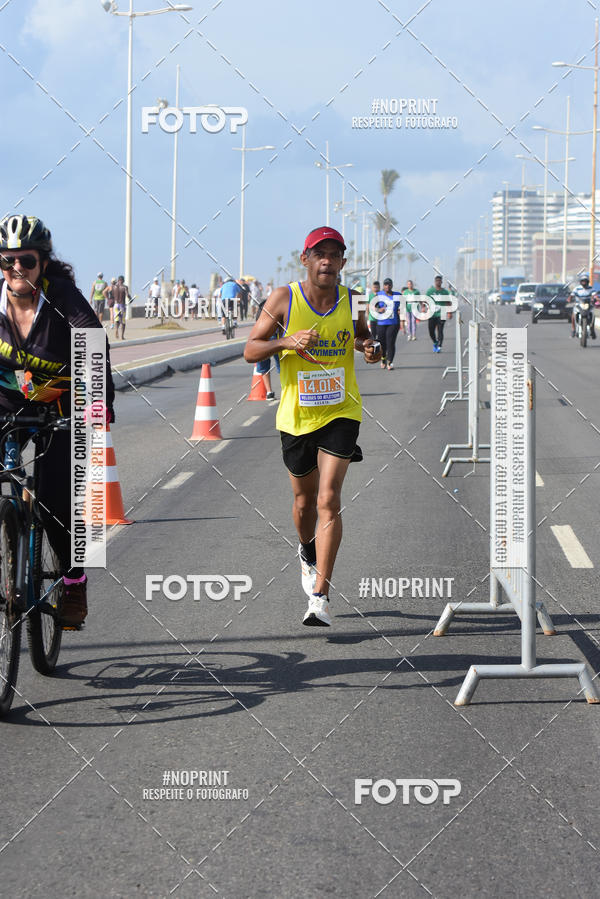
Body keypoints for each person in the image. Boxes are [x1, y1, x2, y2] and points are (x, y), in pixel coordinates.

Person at [244, 225, 381, 627]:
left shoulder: (354, 301)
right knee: (304, 504)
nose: (326, 261)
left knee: (328, 500)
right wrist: (285, 343)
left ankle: (320, 596)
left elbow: (363, 338)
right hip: (296, 416)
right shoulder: (284, 299)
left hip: (342, 411)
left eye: (334, 254)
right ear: (304, 259)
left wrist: (370, 350)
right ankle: (306, 550)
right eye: (318, 254)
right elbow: (251, 348)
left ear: (342, 261)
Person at [0, 214, 115, 627]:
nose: (16, 270)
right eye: (6, 261)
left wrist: (94, 417)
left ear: (43, 263)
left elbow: (94, 351)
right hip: (6, 403)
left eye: (25, 261)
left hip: (61, 406)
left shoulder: (62, 297)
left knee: (55, 500)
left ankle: (73, 577)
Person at [375, 278, 402, 370]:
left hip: (393, 323)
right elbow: (373, 307)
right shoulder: (379, 295)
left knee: (391, 343)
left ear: (392, 285)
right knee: (382, 343)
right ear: (383, 286)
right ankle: (383, 359)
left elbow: (403, 306)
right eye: (386, 285)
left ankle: (390, 362)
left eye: (389, 284)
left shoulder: (397, 295)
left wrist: (400, 310)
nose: (387, 286)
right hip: (381, 323)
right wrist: (379, 310)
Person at [425, 274, 452, 352]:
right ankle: (435, 342)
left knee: (440, 330)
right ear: (434, 282)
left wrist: (449, 312)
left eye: (439, 281)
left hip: (442, 313)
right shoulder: (430, 291)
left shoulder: (445, 292)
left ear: (441, 282)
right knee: (431, 331)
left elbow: (448, 303)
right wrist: (424, 307)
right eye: (437, 281)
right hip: (432, 314)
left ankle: (439, 346)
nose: (438, 282)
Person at [113, 275, 129, 340]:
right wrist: (130, 297)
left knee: (117, 320)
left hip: (116, 305)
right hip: (122, 305)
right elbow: (127, 295)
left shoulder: (114, 287)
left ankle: (116, 329)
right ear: (123, 280)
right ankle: (122, 336)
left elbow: (108, 293)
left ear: (118, 280)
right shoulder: (125, 287)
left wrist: (108, 298)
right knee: (123, 321)